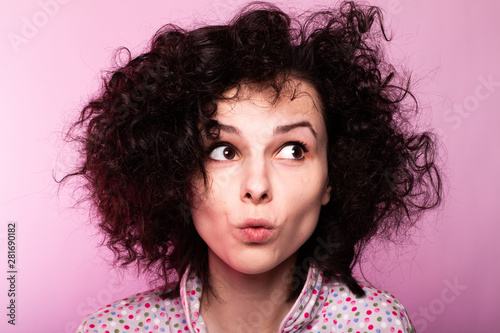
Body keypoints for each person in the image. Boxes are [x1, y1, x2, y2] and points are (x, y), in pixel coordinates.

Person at [64, 1, 441, 332]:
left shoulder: (375, 324)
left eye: (293, 150)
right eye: (224, 150)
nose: (257, 186)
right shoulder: (111, 330)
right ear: (176, 172)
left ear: (334, 175)